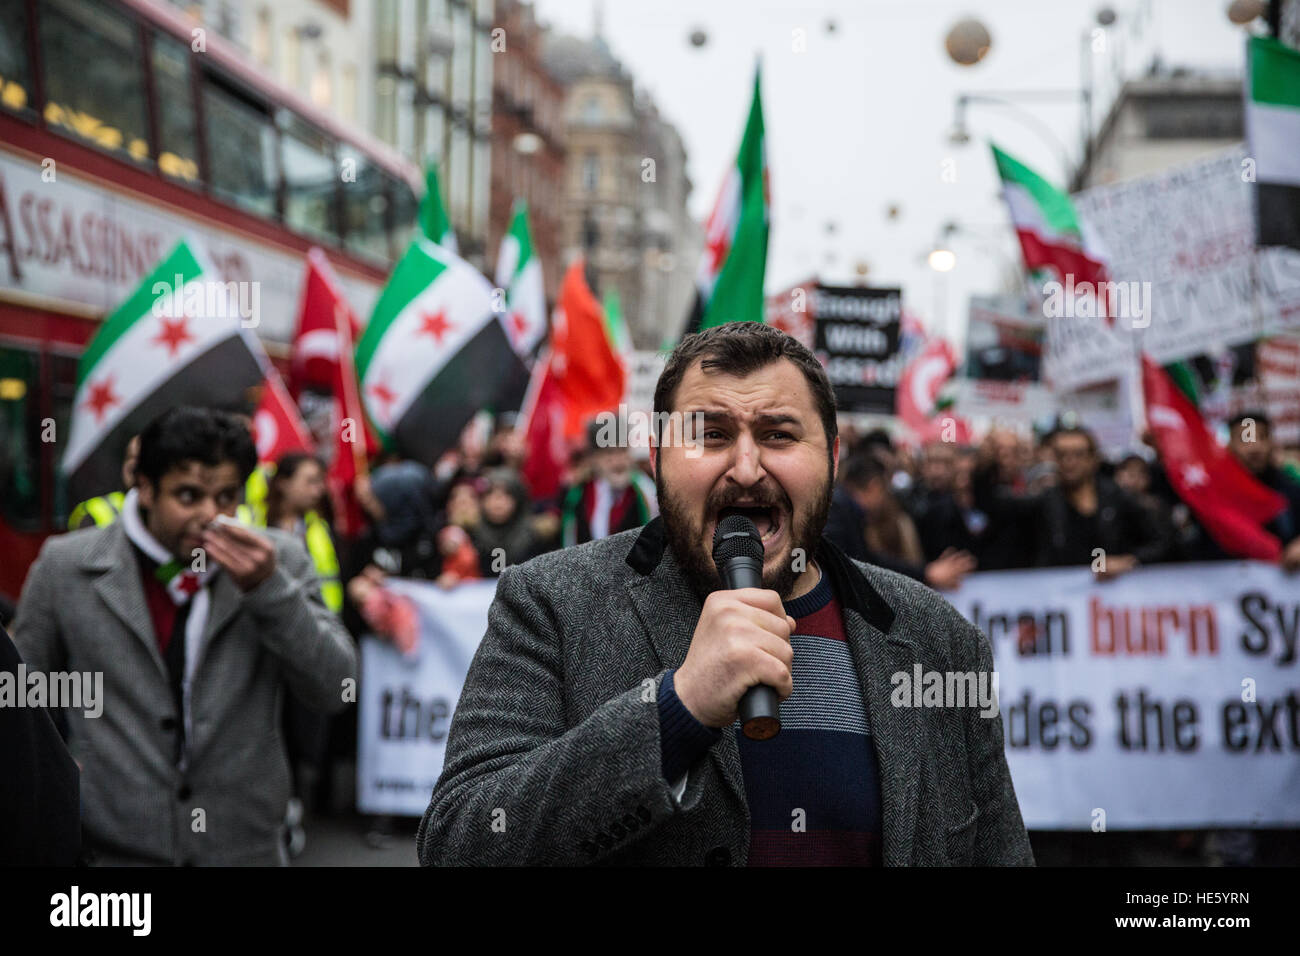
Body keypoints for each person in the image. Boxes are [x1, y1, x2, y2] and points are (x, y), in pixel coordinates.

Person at [418, 321, 1032, 866]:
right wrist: (675, 712)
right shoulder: (552, 604)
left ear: (834, 459)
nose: (745, 467)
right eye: (709, 435)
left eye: (780, 435)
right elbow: (461, 843)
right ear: (657, 457)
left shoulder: (940, 641)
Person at [11, 407, 356, 865]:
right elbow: (22, 696)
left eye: (227, 497)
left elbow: (336, 687)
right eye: (188, 496)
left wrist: (268, 590)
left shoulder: (282, 560)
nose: (210, 516)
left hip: (243, 848)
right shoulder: (67, 566)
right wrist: (66, 772)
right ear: (146, 488)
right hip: (110, 852)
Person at [974, 424, 1169, 575]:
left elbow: (1163, 542)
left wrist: (1129, 561)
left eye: (1078, 455)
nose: (1069, 462)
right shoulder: (1045, 500)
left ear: (1094, 459)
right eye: (1061, 455)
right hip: (1059, 606)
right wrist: (986, 463)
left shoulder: (1117, 498)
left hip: (1108, 608)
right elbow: (992, 504)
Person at [825, 452, 976, 591]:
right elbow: (859, 565)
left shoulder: (843, 508)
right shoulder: (840, 510)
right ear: (874, 486)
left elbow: (867, 560)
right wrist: (926, 573)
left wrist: (926, 572)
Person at [560, 419, 659, 547]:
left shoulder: (646, 492)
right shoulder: (578, 494)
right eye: (609, 453)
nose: (617, 462)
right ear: (594, 458)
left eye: (622, 451)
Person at [1227, 410, 1300, 570]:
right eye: (1245, 439)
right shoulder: (1215, 494)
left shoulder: (1291, 490)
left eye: (1261, 437)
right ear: (1229, 445)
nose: (1254, 447)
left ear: (1272, 442)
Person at [68, 435, 139, 529]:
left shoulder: (161, 512)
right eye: (129, 457)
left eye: (141, 459)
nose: (132, 464)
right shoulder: (93, 512)